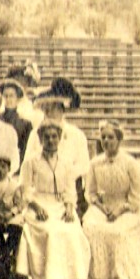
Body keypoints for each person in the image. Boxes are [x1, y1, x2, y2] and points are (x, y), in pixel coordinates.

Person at [82, 121, 140, 279]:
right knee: (90, 225)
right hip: (104, 207)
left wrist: (121, 209)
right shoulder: (95, 163)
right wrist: (102, 208)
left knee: (118, 232)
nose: (106, 141)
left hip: (128, 209)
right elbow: (91, 193)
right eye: (103, 137)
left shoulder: (130, 163)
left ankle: (119, 278)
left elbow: (138, 196)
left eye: (111, 137)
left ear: (119, 139)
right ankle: (99, 278)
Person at [15, 120, 91, 279]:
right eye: (47, 137)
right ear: (41, 139)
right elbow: (25, 190)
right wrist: (35, 206)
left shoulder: (66, 163)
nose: (51, 140)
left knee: (72, 230)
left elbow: (71, 191)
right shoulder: (31, 162)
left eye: (54, 136)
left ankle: (73, 278)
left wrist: (70, 208)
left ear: (60, 139)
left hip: (61, 206)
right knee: (50, 231)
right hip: (38, 205)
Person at [24, 78, 90, 214]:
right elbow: (28, 162)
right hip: (41, 189)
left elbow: (83, 165)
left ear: (61, 109)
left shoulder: (76, 134)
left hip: (70, 189)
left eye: (52, 107)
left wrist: (63, 174)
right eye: (45, 108)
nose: (48, 112)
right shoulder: (35, 134)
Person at [0, 156, 25, 279]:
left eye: (3, 167)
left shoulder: (14, 185)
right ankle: (6, 256)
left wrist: (11, 213)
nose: (0, 170)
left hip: (10, 215)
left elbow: (19, 204)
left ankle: (4, 254)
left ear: (9, 169)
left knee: (16, 227)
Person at [0, 78, 34, 165]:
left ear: (17, 98)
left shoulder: (25, 123)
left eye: (11, 96)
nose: (8, 99)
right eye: (5, 96)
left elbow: (27, 149)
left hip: (18, 163)